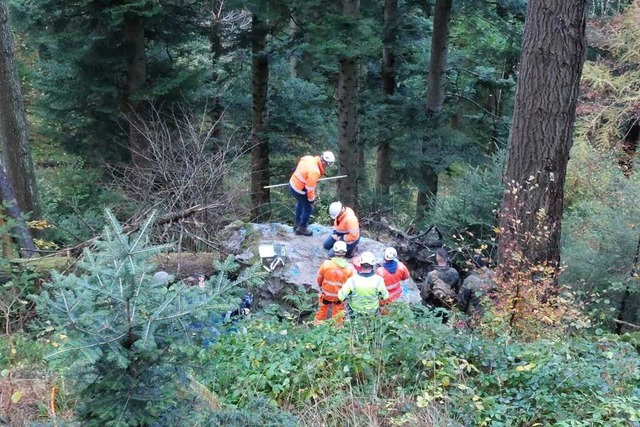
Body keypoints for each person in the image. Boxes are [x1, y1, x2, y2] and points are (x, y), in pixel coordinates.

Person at [289, 151, 335, 236]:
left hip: (292, 183)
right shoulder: (315, 171)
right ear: (325, 162)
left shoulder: (308, 158)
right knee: (308, 208)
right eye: (328, 164)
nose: (328, 166)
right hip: (299, 189)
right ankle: (302, 228)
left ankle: (297, 223)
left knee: (300, 202)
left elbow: (302, 164)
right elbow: (309, 189)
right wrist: (311, 200)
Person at [314, 241, 354, 324]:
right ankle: (337, 329)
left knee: (322, 310)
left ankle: (317, 327)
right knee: (338, 313)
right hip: (339, 297)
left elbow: (319, 277)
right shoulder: (349, 268)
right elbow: (350, 285)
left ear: (334, 251)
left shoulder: (326, 264)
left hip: (326, 295)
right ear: (345, 251)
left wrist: (320, 285)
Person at [338, 251, 389, 316]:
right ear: (372, 265)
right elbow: (385, 297)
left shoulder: (352, 280)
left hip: (355, 312)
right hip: (372, 312)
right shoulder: (379, 280)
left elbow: (341, 297)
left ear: (360, 264)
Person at [421, 248, 460, 321]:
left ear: (437, 258)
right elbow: (458, 290)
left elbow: (424, 294)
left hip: (435, 309)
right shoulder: (454, 272)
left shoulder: (431, 275)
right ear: (447, 258)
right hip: (449, 306)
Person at [457, 256, 496, 326]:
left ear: (474, 265)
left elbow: (461, 301)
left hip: (477, 315)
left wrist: (460, 310)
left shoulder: (471, 279)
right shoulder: (495, 275)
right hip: (495, 314)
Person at [377, 247, 411, 312]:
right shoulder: (401, 266)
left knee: (383, 310)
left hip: (384, 297)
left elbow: (376, 286)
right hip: (397, 294)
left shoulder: (380, 271)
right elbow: (406, 277)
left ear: (384, 257)